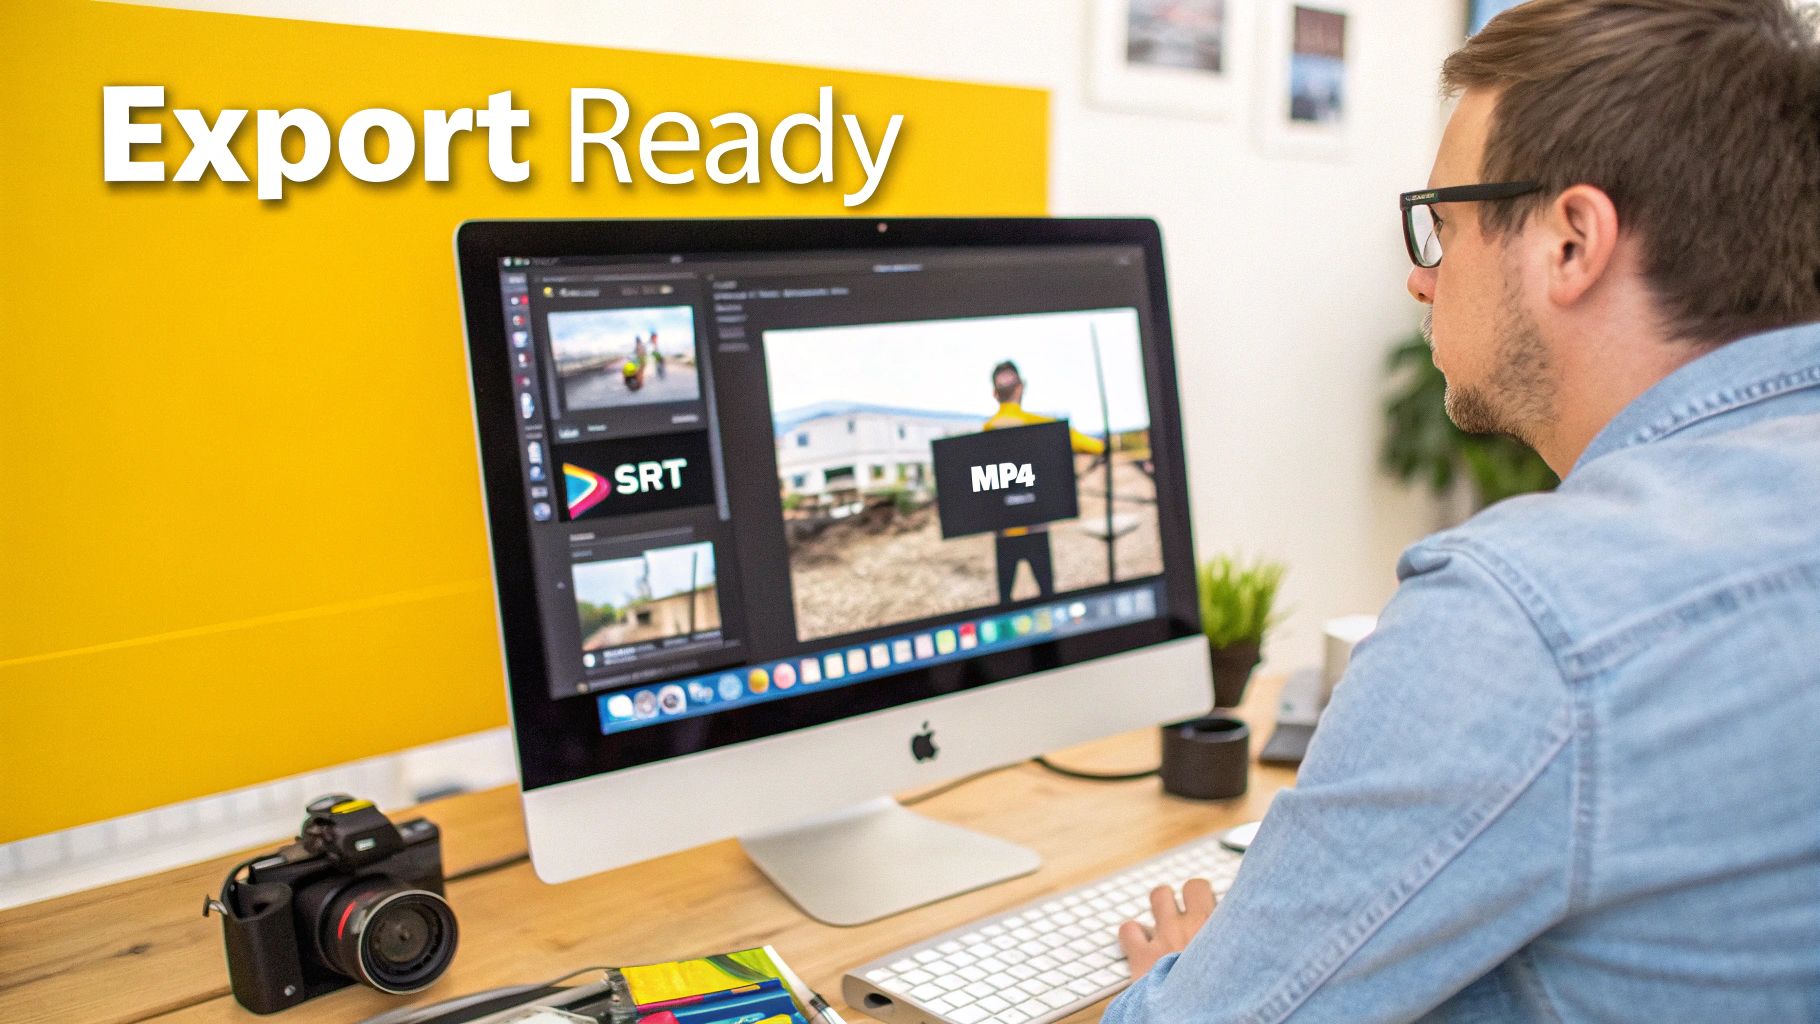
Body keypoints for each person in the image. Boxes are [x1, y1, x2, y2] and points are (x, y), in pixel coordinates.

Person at [1105, 1, 1820, 1020]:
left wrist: (1183, 974)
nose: (1418, 276)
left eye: (1440, 225)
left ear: (1570, 241)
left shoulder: (1530, 618)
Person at [982, 360, 1106, 603]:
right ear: (1021, 388)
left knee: (1005, 600)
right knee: (1048, 595)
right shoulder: (1046, 427)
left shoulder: (985, 431)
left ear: (995, 394)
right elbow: (1096, 447)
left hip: (1003, 531)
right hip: (1036, 527)